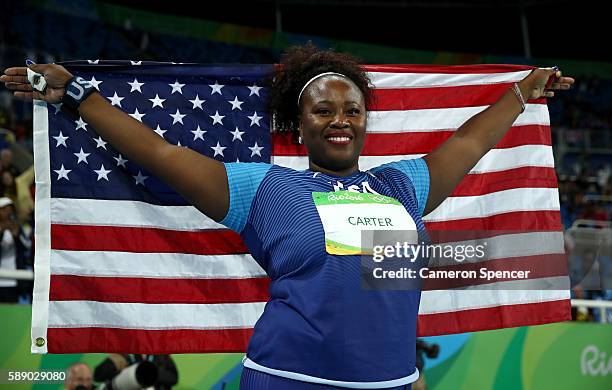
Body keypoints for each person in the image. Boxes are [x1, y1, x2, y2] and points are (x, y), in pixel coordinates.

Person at [1, 43, 574, 389]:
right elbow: (161, 154)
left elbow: (469, 144)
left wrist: (522, 93)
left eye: (352, 109)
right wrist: (76, 95)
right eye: (322, 109)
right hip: (288, 381)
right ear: (298, 126)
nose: (339, 118)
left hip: (392, 383)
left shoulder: (401, 185)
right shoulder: (265, 188)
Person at [94, 354, 178, 390]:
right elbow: (98, 376)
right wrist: (112, 362)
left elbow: (173, 378)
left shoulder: (161, 356)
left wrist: (150, 371)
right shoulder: (124, 355)